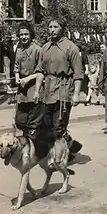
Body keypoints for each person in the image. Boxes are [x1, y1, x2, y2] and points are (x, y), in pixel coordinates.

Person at [33, 19, 84, 163]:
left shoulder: (71, 48)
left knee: (58, 126)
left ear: (62, 28)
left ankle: (62, 156)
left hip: (63, 90)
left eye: (56, 26)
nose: (52, 29)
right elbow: (40, 71)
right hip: (48, 91)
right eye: (50, 26)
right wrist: (37, 90)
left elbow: (78, 74)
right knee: (47, 127)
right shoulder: (45, 48)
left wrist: (76, 94)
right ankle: (72, 146)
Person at [13, 22, 44, 137]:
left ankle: (33, 147)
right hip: (22, 90)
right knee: (20, 121)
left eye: (26, 34)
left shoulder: (38, 50)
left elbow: (42, 71)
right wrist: (17, 77)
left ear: (31, 35)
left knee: (33, 122)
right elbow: (16, 67)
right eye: (21, 35)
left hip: (34, 88)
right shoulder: (19, 50)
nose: (23, 37)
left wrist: (27, 79)